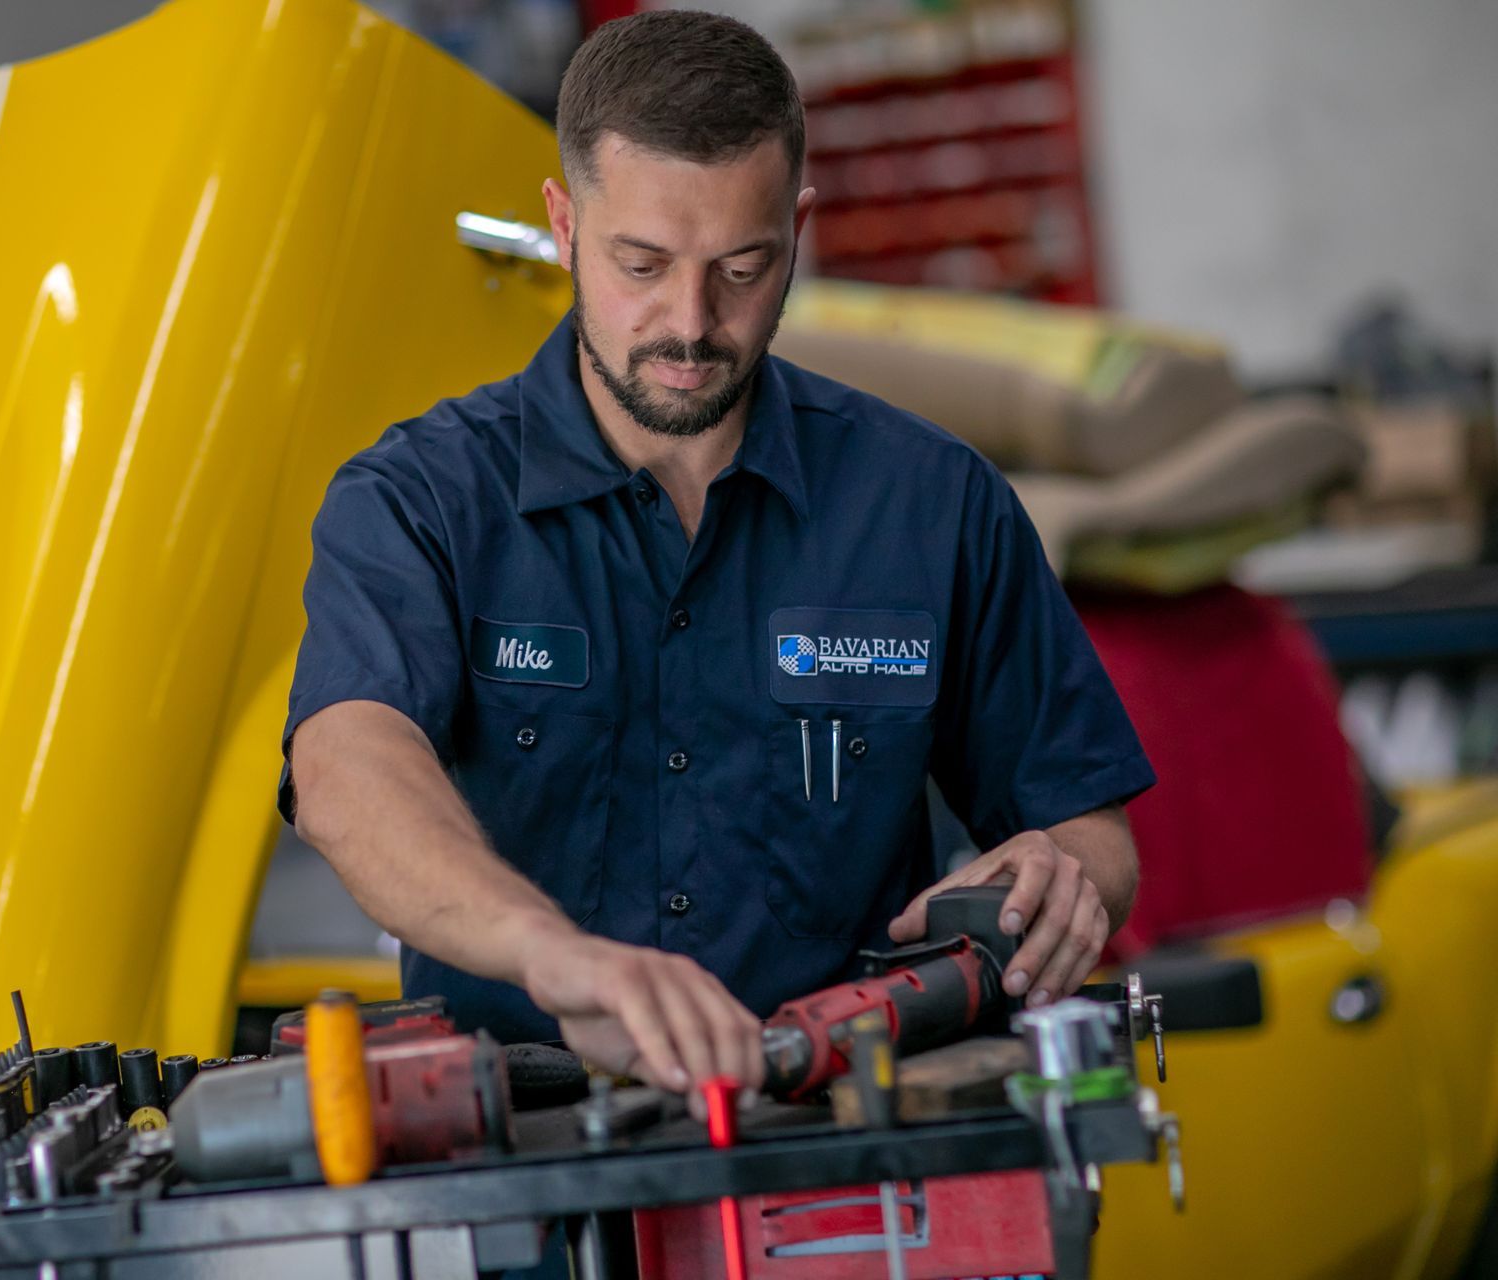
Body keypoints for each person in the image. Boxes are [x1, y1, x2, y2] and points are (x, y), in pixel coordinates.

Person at [278, 10, 1151, 1116]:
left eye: (742, 267)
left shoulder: (934, 504)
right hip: (528, 1177)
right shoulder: (419, 500)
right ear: (562, 224)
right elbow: (346, 767)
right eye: (640, 264)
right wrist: (552, 952)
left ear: (797, 228)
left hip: (846, 1157)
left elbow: (1090, 832)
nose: (689, 324)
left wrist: (1062, 877)